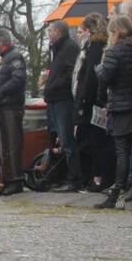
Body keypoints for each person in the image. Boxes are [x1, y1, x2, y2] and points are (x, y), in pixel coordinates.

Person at [96, 16, 132, 210]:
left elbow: (106, 77)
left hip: (122, 108)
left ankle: (118, 194)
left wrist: (99, 70)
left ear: (116, 32)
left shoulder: (114, 52)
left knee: (123, 152)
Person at [72, 13, 113, 191]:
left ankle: (100, 178)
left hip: (92, 102)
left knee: (96, 142)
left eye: (80, 31)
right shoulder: (94, 47)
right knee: (95, 141)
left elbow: (90, 77)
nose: (78, 35)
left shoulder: (95, 47)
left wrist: (83, 101)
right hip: (92, 99)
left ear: (89, 30)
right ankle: (98, 177)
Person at [0, 29, 27, 196]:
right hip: (5, 105)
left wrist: (0, 91)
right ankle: (8, 178)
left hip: (11, 105)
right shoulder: (6, 58)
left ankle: (15, 180)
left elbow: (18, 79)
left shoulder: (14, 57)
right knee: (7, 145)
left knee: (12, 143)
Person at [43, 20, 81, 192]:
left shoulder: (69, 48)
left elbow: (70, 73)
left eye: (50, 31)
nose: (48, 34)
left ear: (58, 32)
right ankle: (66, 176)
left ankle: (74, 178)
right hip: (54, 98)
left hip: (63, 98)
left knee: (67, 140)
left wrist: (54, 84)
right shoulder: (56, 50)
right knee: (60, 140)